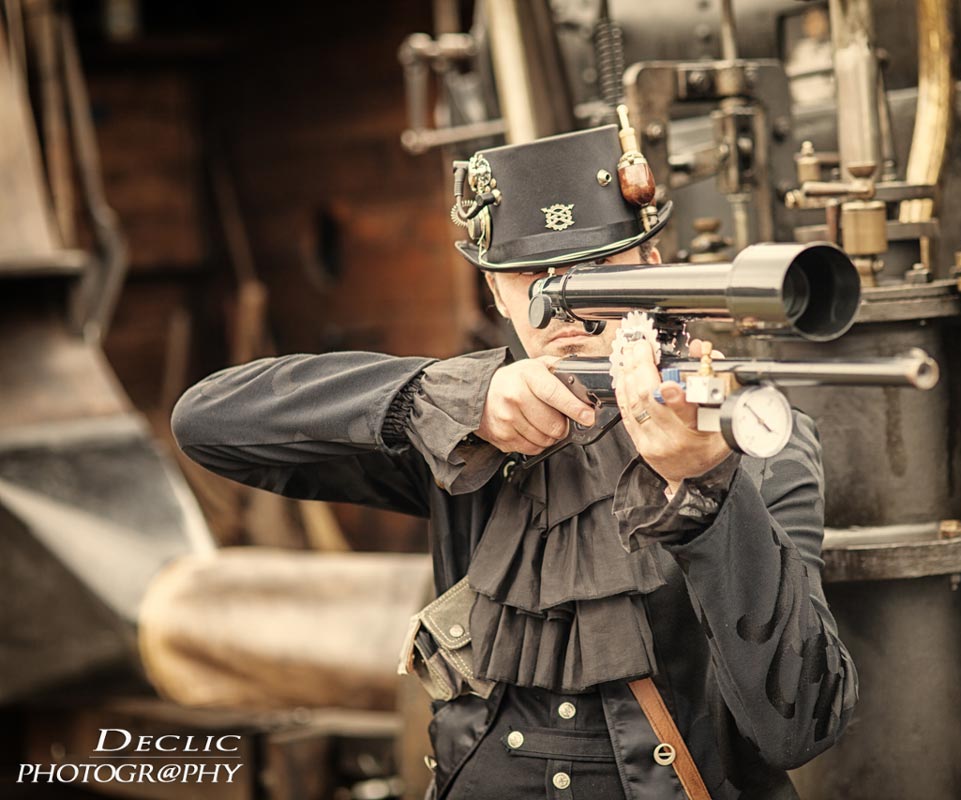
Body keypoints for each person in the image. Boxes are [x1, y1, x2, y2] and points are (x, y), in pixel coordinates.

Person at [172, 123, 857, 800]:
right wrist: (441, 397)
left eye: (595, 271)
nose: (564, 306)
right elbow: (208, 423)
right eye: (530, 277)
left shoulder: (747, 431)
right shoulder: (466, 424)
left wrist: (704, 486)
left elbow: (801, 726)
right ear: (494, 292)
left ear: (651, 266)